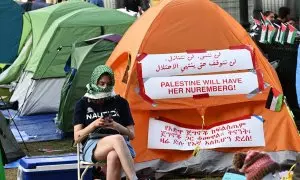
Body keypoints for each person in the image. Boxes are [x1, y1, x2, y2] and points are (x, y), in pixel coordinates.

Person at [73, 65, 138, 180]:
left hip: (122, 145)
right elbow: (77, 137)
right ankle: (133, 178)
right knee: (117, 139)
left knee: (114, 155)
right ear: (94, 82)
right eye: (101, 83)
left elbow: (132, 135)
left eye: (108, 84)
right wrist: (94, 125)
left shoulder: (121, 102)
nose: (105, 87)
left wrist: (116, 125)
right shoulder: (82, 103)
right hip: (94, 145)